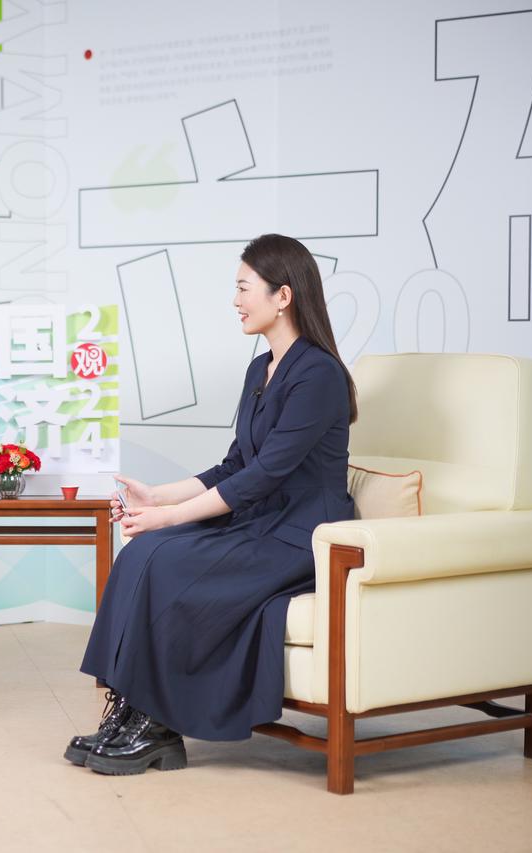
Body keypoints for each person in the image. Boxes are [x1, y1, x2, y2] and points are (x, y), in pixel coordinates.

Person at [68, 234, 357, 776]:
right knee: (142, 552)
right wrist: (158, 497)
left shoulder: (319, 375)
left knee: (168, 559)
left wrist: (169, 517)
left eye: (244, 288)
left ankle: (156, 725)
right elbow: (235, 465)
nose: (236, 300)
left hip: (302, 534)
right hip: (261, 519)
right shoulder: (260, 369)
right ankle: (130, 709)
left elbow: (266, 474)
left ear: (283, 296)